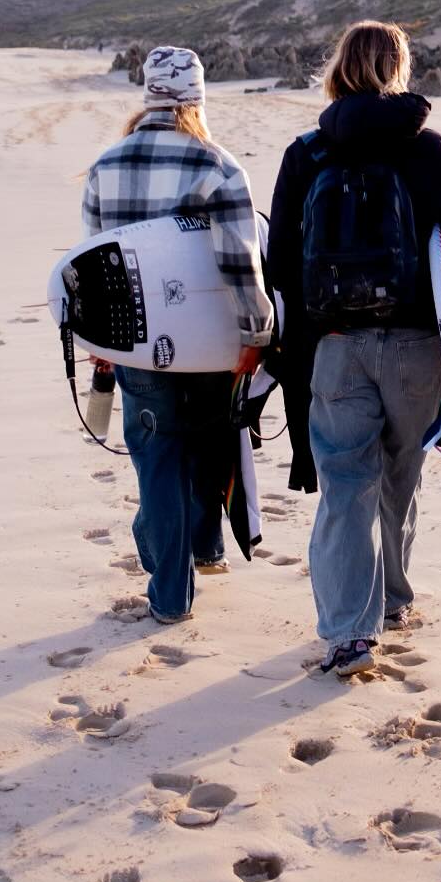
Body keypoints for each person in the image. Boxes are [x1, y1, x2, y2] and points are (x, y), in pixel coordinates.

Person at [266, 20, 441, 678]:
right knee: (400, 473)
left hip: (336, 347)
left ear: (339, 69)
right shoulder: (425, 147)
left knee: (346, 483)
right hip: (415, 348)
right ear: (397, 68)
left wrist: (302, 340)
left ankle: (350, 633)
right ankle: (395, 599)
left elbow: (281, 263)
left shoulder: (306, 153)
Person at [81, 46, 273, 623]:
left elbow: (94, 266)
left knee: (157, 459)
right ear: (197, 98)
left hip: (139, 343)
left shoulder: (106, 166)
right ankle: (201, 547)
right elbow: (241, 264)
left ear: (148, 95)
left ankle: (170, 594)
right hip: (209, 343)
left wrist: (101, 342)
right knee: (205, 448)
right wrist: (257, 334)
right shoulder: (218, 165)